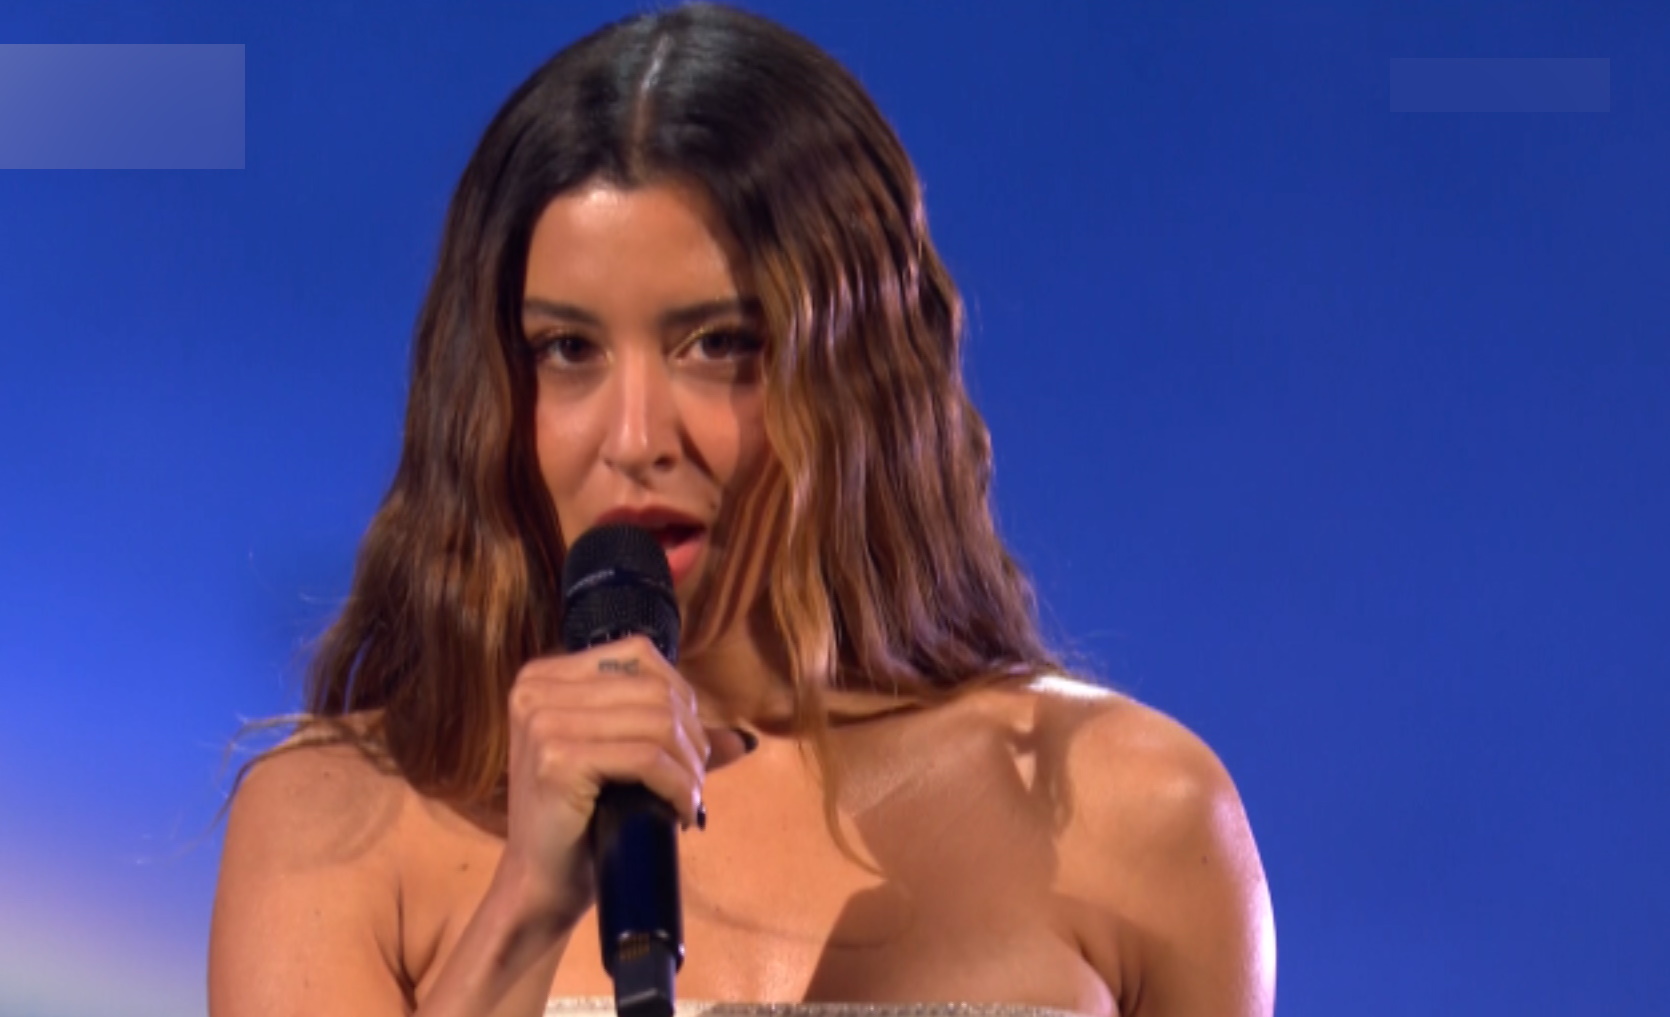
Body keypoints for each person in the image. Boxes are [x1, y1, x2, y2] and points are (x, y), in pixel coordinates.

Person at [207, 4, 1275, 1016]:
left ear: (863, 374)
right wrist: (524, 910)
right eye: (567, 349)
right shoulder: (331, 828)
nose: (636, 437)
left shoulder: (1138, 816)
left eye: (718, 344)